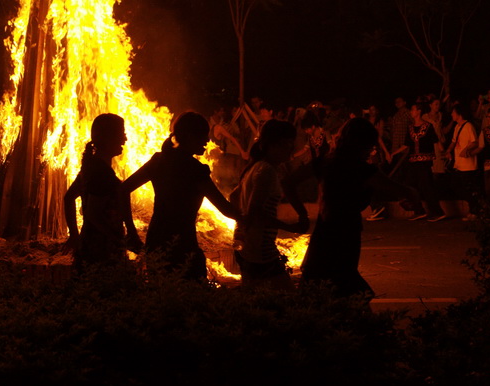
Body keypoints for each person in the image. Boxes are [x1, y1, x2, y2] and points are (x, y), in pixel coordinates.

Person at [123, 111, 238, 281]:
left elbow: (123, 189)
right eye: (203, 136)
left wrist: (131, 232)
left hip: (156, 244)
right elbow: (226, 209)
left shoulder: (158, 161)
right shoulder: (196, 170)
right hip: (184, 248)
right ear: (190, 136)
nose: (207, 141)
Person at [301, 117, 379, 298]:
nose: (370, 150)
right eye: (369, 146)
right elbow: (396, 187)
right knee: (346, 286)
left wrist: (301, 213)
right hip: (346, 234)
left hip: (324, 232)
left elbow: (289, 182)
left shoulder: (326, 162)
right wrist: (411, 196)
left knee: (322, 285)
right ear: (361, 144)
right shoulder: (360, 168)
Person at [230, 120, 309, 290]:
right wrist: (292, 227)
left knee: (256, 298)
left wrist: (241, 224)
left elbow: (233, 196)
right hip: (261, 251)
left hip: (247, 248)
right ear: (274, 145)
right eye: (288, 145)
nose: (291, 150)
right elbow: (257, 213)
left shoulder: (255, 166)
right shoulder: (266, 171)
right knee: (286, 297)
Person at [64, 113, 142, 269]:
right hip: (101, 252)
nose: (124, 139)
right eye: (121, 134)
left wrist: (75, 235)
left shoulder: (91, 167)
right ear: (108, 138)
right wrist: (118, 241)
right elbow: (94, 214)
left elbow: (68, 197)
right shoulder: (101, 173)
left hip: (90, 246)